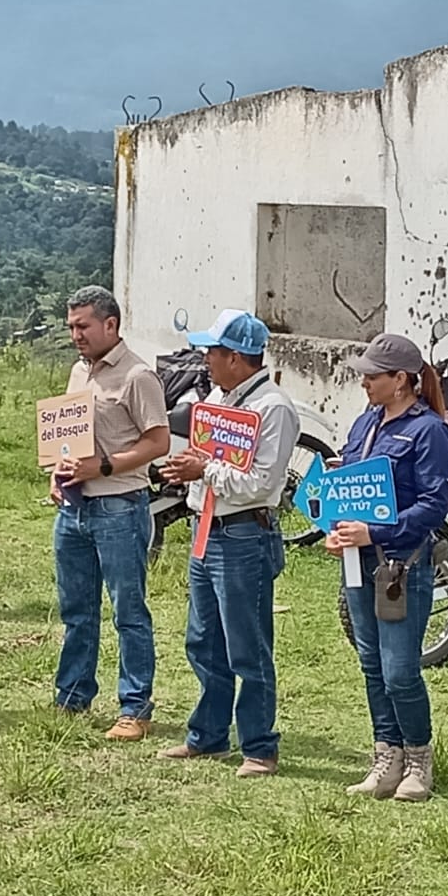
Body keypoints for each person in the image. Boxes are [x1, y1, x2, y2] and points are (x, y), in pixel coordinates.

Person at [156, 310, 299, 777]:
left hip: (243, 533)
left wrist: (204, 471)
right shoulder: (219, 397)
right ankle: (208, 734)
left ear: (236, 357)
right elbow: (208, 460)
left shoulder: (272, 408)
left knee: (247, 643)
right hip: (207, 525)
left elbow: (260, 482)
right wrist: (189, 471)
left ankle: (259, 745)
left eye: (212, 352)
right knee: (203, 638)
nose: (205, 360)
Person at [328, 333, 448, 802]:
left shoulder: (430, 432)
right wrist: (338, 524)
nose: (364, 381)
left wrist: (376, 532)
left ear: (401, 380)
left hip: (402, 565)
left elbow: (433, 505)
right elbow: (349, 485)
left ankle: (419, 757)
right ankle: (386, 754)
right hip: (356, 561)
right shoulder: (366, 424)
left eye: (373, 375)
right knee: (371, 664)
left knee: (400, 668)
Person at [52, 285, 169, 741]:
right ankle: (72, 694)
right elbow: (66, 434)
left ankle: (135, 706)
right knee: (76, 608)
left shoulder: (138, 376)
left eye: (82, 326)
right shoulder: (79, 372)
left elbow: (157, 442)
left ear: (111, 325)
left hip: (120, 504)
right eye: (71, 327)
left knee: (127, 610)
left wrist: (102, 465)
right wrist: (58, 473)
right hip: (75, 506)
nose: (76, 335)